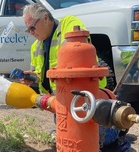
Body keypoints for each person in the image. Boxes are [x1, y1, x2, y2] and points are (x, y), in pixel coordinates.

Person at [20, 3, 126, 151]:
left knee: (101, 140)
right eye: (28, 30)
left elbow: (76, 54)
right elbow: (42, 76)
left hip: (88, 98)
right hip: (63, 103)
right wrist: (33, 79)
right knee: (67, 134)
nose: (31, 32)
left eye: (32, 27)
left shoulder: (69, 24)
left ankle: (114, 131)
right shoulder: (35, 47)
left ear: (45, 18)